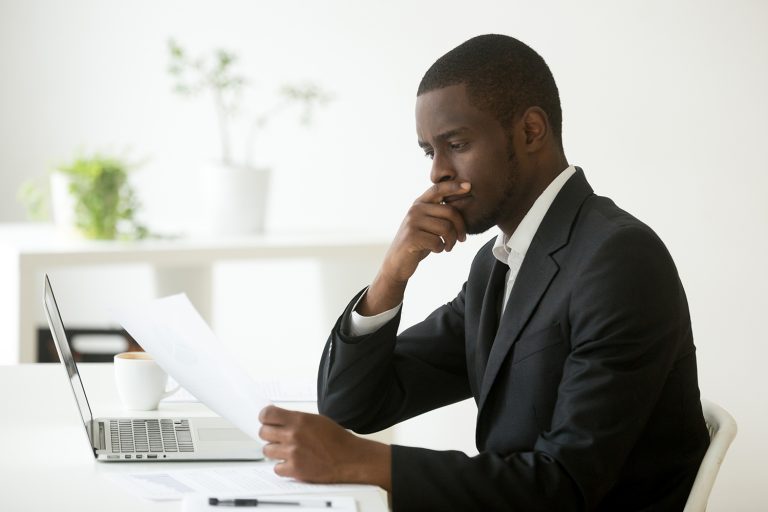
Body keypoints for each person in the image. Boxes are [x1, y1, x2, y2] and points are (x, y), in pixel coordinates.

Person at [258, 34, 710, 511]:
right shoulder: (496, 267)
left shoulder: (618, 260)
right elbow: (354, 405)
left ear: (531, 131)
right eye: (429, 152)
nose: (437, 173)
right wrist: (392, 275)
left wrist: (366, 463)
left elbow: (566, 487)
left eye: (456, 144)